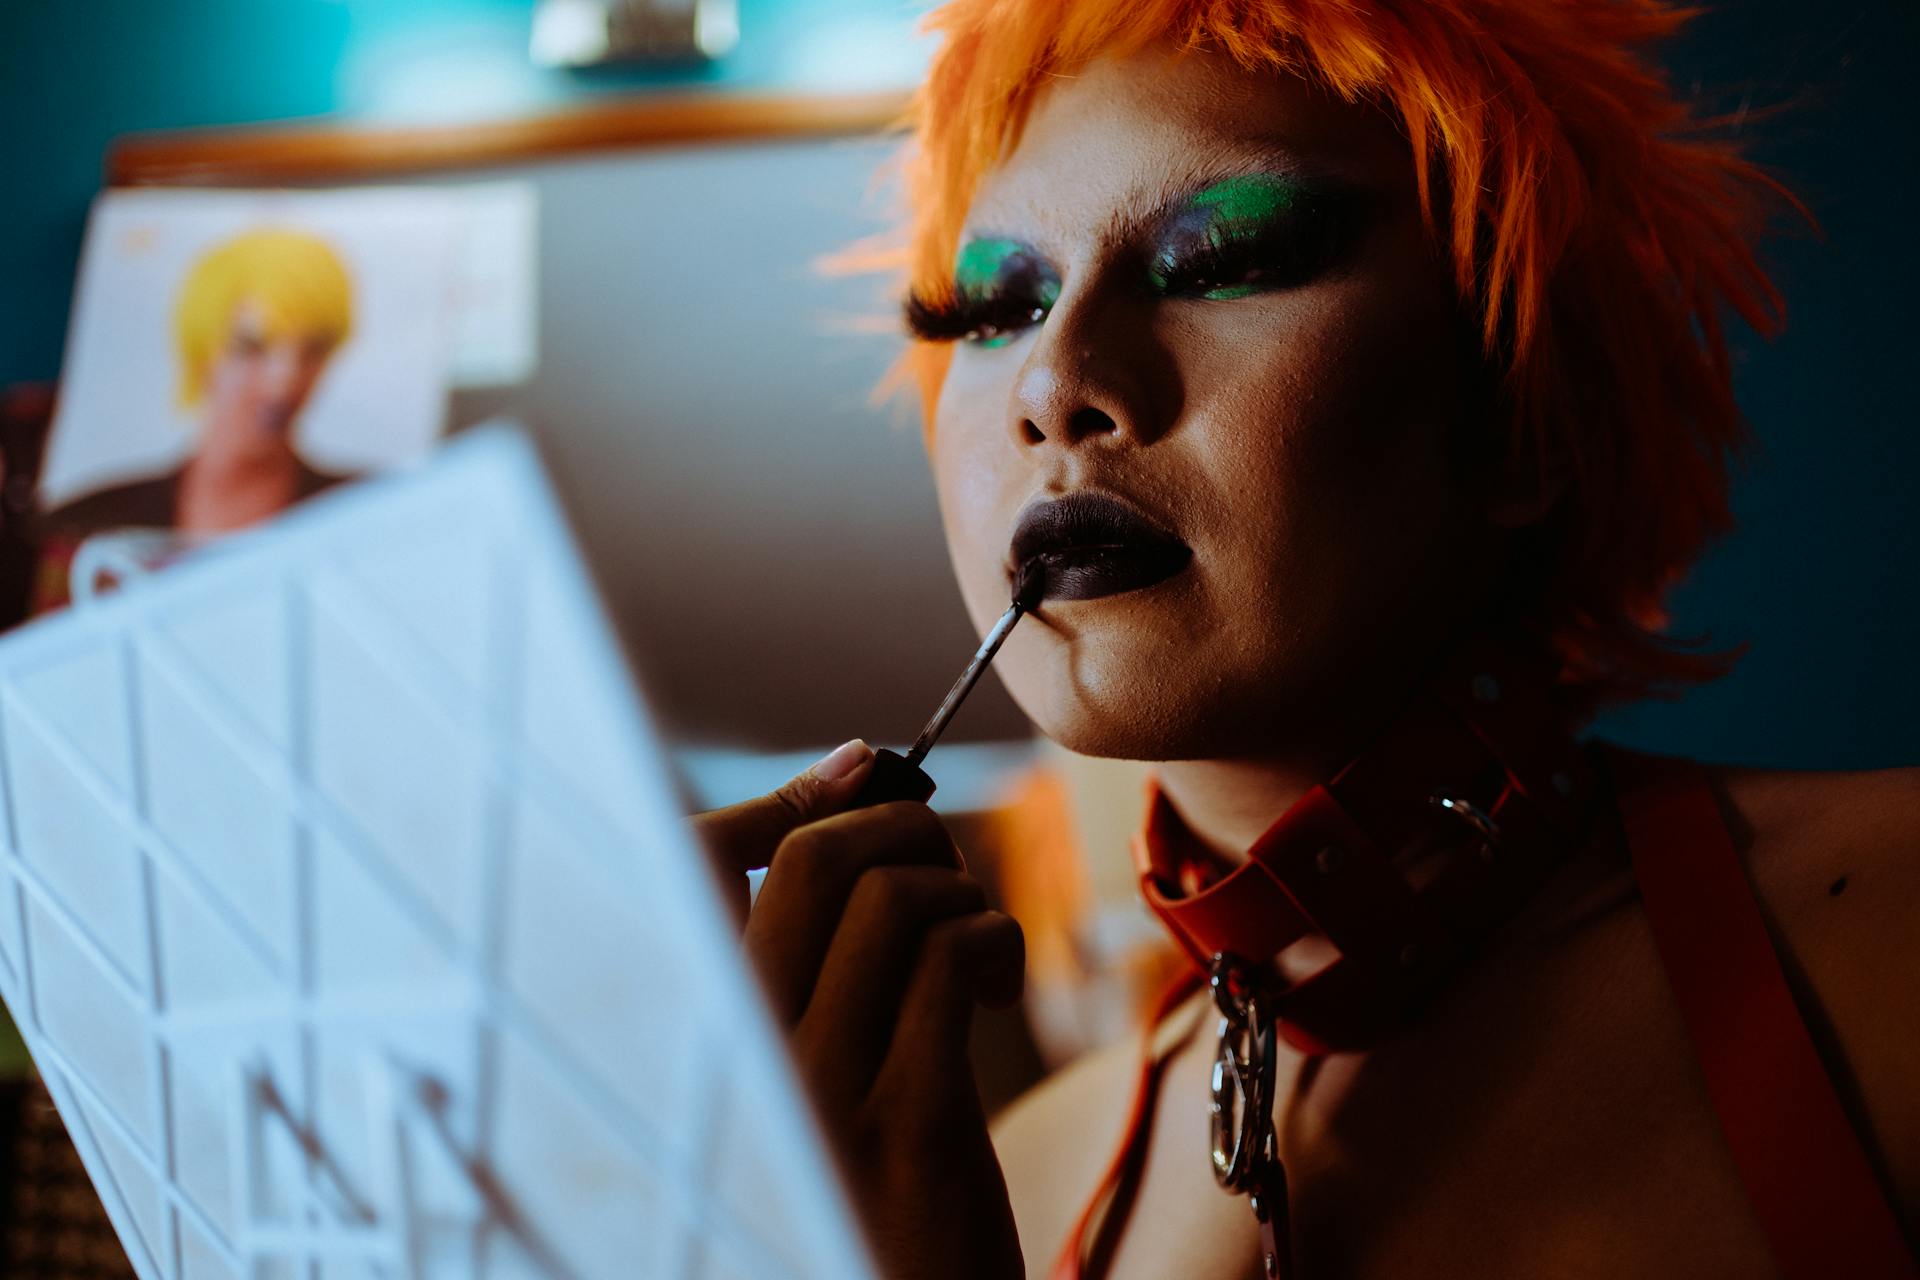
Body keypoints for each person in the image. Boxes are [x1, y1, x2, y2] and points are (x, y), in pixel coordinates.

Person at [694, 1, 1920, 1277]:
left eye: (1227, 258)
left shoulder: (1891, 940)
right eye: (992, 306)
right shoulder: (1003, 1166)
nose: (1053, 384)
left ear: (1518, 412)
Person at [33, 227, 355, 609]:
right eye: (251, 346)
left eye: (312, 349)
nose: (283, 381)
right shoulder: (91, 524)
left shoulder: (362, 508)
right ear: (202, 350)